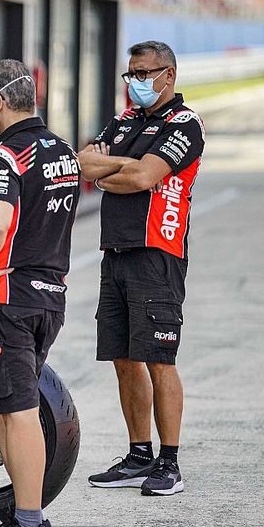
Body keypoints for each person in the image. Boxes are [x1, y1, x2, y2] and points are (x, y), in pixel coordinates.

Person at [0, 59, 79, 527]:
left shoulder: (9, 152)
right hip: (50, 293)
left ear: (1, 100)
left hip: (8, 295)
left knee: (17, 409)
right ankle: (22, 516)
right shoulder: (64, 151)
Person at [78, 40, 205, 497]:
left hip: (157, 252)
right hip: (115, 251)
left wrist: (112, 169)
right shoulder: (126, 119)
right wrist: (118, 165)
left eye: (142, 74)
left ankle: (169, 463)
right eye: (129, 74)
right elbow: (81, 161)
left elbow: (143, 178)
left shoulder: (185, 125)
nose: (134, 82)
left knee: (158, 358)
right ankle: (138, 454)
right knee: (122, 358)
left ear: (167, 75)